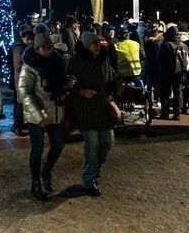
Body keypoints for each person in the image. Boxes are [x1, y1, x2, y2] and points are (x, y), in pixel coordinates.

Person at [19, 26, 75, 201]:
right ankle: (35, 183)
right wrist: (38, 115)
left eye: (51, 47)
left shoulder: (55, 62)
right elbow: (24, 92)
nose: (50, 50)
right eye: (46, 48)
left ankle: (47, 169)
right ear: (38, 49)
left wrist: (67, 85)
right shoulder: (29, 67)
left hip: (55, 112)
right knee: (37, 149)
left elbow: (58, 84)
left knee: (58, 145)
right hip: (36, 114)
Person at [67, 31, 117, 197]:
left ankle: (96, 171)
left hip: (103, 108)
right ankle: (89, 181)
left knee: (108, 142)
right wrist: (81, 91)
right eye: (94, 42)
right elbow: (67, 84)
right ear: (87, 45)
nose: (98, 45)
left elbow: (110, 78)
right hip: (86, 109)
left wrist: (117, 85)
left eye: (99, 42)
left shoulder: (104, 59)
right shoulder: (75, 61)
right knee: (92, 145)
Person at [155, 24, 189, 120]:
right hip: (179, 72)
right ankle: (177, 113)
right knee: (178, 92)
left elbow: (158, 59)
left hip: (166, 72)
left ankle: (165, 113)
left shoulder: (166, 45)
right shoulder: (184, 45)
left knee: (165, 93)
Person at [10, 24, 35, 136]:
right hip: (20, 79)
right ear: (23, 38)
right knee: (21, 102)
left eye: (31, 39)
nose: (30, 41)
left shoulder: (27, 47)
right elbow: (18, 65)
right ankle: (16, 126)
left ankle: (21, 124)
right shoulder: (18, 48)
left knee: (24, 102)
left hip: (26, 78)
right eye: (28, 39)